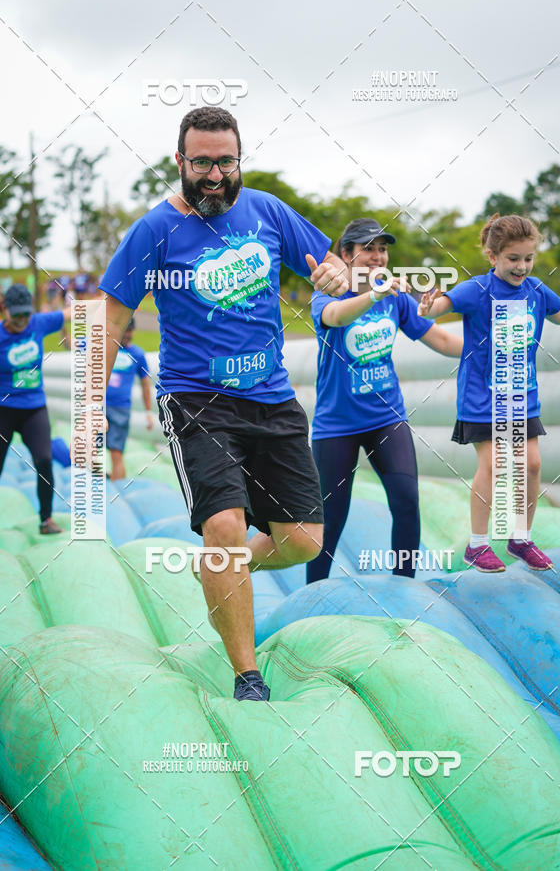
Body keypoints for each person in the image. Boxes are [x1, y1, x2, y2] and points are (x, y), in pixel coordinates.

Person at [97, 106, 349, 701]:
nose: (214, 175)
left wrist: (337, 274)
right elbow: (109, 319)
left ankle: (220, 563)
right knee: (225, 527)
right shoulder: (153, 231)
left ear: (240, 160)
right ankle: (246, 674)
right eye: (202, 163)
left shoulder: (268, 211)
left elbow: (330, 261)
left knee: (304, 540)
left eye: (226, 162)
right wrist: (89, 408)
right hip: (196, 401)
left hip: (272, 398)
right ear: (180, 161)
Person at [418, 213, 560, 572]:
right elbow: (441, 306)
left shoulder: (536, 290)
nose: (522, 266)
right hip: (483, 398)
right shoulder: (477, 289)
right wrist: (427, 307)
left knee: (532, 465)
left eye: (528, 258)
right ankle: (477, 545)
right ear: (493, 256)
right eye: (513, 258)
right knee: (496, 464)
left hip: (522, 396)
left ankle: (521, 539)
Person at [308, 218, 463, 582]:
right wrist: (374, 295)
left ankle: (404, 586)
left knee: (406, 500)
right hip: (336, 426)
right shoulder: (328, 294)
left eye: (382, 249)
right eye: (368, 249)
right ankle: (314, 593)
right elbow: (335, 317)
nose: (378, 257)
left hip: (386, 418)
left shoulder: (396, 299)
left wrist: (489, 349)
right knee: (331, 518)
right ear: (346, 255)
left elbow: (440, 339)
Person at [0, 284, 71, 534]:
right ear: (4, 309)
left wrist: (112, 301)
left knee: (44, 460)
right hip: (4, 409)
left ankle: (46, 520)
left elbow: (72, 313)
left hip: (34, 409)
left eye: (26, 314)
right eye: (17, 314)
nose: (22, 319)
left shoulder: (38, 323)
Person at [105, 317, 153, 480]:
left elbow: (145, 384)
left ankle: (117, 488)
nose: (127, 335)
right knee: (90, 450)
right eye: (125, 331)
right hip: (100, 406)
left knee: (116, 453)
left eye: (130, 331)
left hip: (121, 408)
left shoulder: (137, 354)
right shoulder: (107, 348)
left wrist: (148, 412)